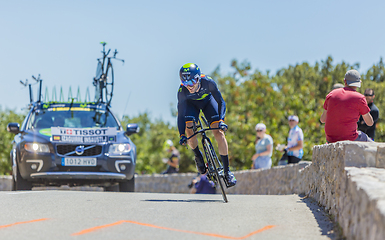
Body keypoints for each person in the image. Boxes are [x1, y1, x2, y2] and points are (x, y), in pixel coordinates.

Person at [177, 63, 236, 187]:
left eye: (192, 82)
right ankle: (198, 155)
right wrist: (182, 134)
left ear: (198, 78)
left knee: (218, 132)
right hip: (191, 105)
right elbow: (180, 115)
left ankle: (227, 172)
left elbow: (221, 101)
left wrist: (221, 120)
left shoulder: (208, 82)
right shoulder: (182, 91)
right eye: (185, 83)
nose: (189, 86)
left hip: (208, 102)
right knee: (189, 127)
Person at [320, 69, 374, 143]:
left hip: (330, 139)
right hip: (350, 138)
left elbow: (322, 120)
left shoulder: (331, 95)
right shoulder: (359, 98)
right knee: (369, 141)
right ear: (358, 83)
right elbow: (370, 123)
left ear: (345, 81)